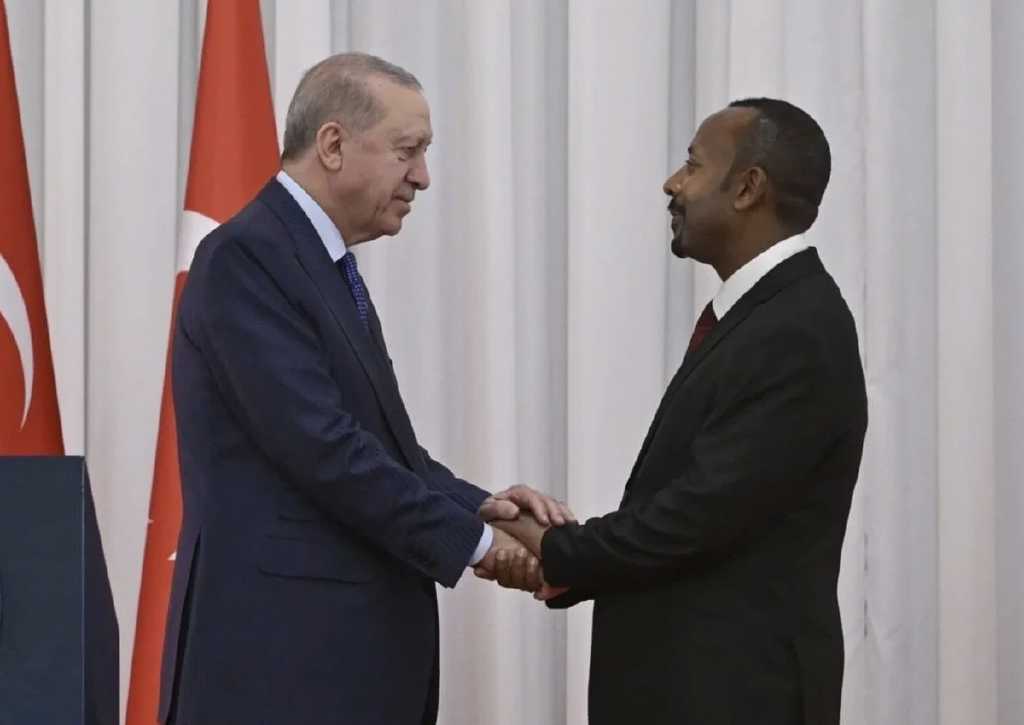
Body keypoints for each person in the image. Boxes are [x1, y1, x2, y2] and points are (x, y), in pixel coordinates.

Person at [159, 52, 565, 725]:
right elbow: (325, 450)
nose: (423, 176)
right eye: (408, 150)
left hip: (328, 670)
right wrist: (483, 547)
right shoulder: (247, 257)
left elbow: (383, 449)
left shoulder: (319, 263)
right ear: (333, 144)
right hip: (277, 674)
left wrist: (488, 507)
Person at [481, 98, 868, 725]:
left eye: (692, 165)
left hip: (735, 696)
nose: (672, 183)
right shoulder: (765, 315)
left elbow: (698, 515)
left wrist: (556, 549)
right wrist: (565, 556)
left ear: (747, 188)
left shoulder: (795, 329)